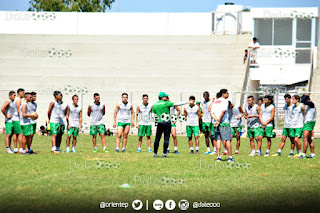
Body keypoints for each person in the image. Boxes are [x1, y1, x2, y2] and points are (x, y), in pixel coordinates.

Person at [152, 92, 190, 158]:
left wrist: (156, 121)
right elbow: (177, 104)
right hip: (167, 123)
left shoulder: (155, 105)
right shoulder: (166, 103)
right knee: (166, 138)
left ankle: (155, 153)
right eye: (165, 97)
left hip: (159, 123)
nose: (166, 98)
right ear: (162, 97)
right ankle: (164, 153)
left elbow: (153, 116)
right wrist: (187, 102)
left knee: (157, 138)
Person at [210, 89, 234, 162]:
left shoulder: (215, 102)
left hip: (216, 123)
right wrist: (219, 120)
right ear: (223, 94)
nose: (228, 94)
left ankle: (218, 157)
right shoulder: (225, 101)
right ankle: (230, 157)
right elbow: (223, 111)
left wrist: (216, 120)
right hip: (224, 123)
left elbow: (211, 113)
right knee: (227, 140)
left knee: (218, 140)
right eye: (227, 93)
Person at [300, 94, 316, 159]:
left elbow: (302, 100)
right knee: (309, 139)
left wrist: (305, 95)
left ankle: (303, 155)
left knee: (305, 139)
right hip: (311, 122)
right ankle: (313, 154)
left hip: (308, 123)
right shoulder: (310, 104)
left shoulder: (311, 103)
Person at [12, 88, 25, 153]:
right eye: (23, 93)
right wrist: (21, 117)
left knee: (16, 133)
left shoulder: (15, 99)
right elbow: (18, 109)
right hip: (17, 118)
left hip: (14, 118)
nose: (24, 94)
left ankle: (15, 148)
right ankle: (20, 148)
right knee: (20, 133)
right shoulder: (18, 100)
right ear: (19, 93)